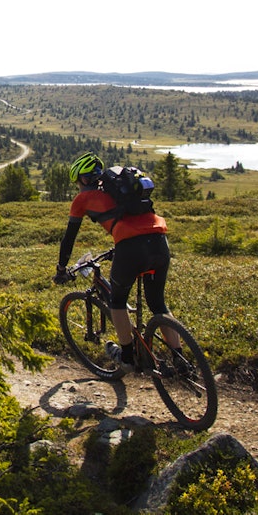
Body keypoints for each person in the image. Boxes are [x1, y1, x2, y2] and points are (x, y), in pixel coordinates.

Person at [54, 152, 181, 371]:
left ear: (83, 180)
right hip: (159, 241)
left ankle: (128, 357)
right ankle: (180, 358)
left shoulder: (82, 199)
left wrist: (61, 268)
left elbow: (69, 238)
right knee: (158, 303)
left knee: (117, 301)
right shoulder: (123, 191)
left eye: (77, 182)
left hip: (131, 248)